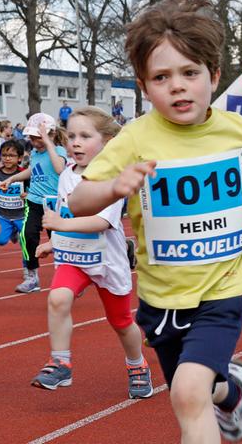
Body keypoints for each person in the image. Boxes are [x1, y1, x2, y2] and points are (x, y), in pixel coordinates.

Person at [67, 0, 242, 443]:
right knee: (197, 389)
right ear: (144, 87)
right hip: (162, 295)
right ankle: (232, 388)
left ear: (214, 75)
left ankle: (219, 390)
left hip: (224, 285)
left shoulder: (234, 128)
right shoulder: (134, 139)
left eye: (190, 73)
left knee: (188, 393)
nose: (178, 86)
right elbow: (79, 200)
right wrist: (113, 187)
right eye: (162, 77)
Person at [31, 106, 154, 399]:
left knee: (121, 322)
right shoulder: (66, 177)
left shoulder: (110, 178)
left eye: (85, 136)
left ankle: (137, 363)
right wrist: (54, 241)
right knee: (58, 298)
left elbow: (101, 221)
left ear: (108, 142)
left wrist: (60, 223)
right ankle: (60, 361)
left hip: (107, 262)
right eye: (71, 135)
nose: (75, 142)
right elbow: (65, 216)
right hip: (74, 259)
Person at [0, 112, 68, 293]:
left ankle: (68, 276)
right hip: (34, 201)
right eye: (31, 137)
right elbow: (32, 171)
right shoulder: (35, 154)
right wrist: (13, 179)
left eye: (36, 137)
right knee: (27, 234)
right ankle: (31, 276)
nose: (33, 141)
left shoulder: (58, 151)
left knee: (60, 241)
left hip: (54, 204)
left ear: (50, 135)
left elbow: (60, 168)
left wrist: (48, 143)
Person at [0, 140, 27, 247]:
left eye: (11, 156)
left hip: (21, 215)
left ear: (20, 158)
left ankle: (26, 264)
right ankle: (12, 231)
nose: (7, 158)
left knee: (26, 242)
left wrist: (27, 194)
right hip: (3, 215)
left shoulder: (23, 173)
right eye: (4, 155)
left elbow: (32, 189)